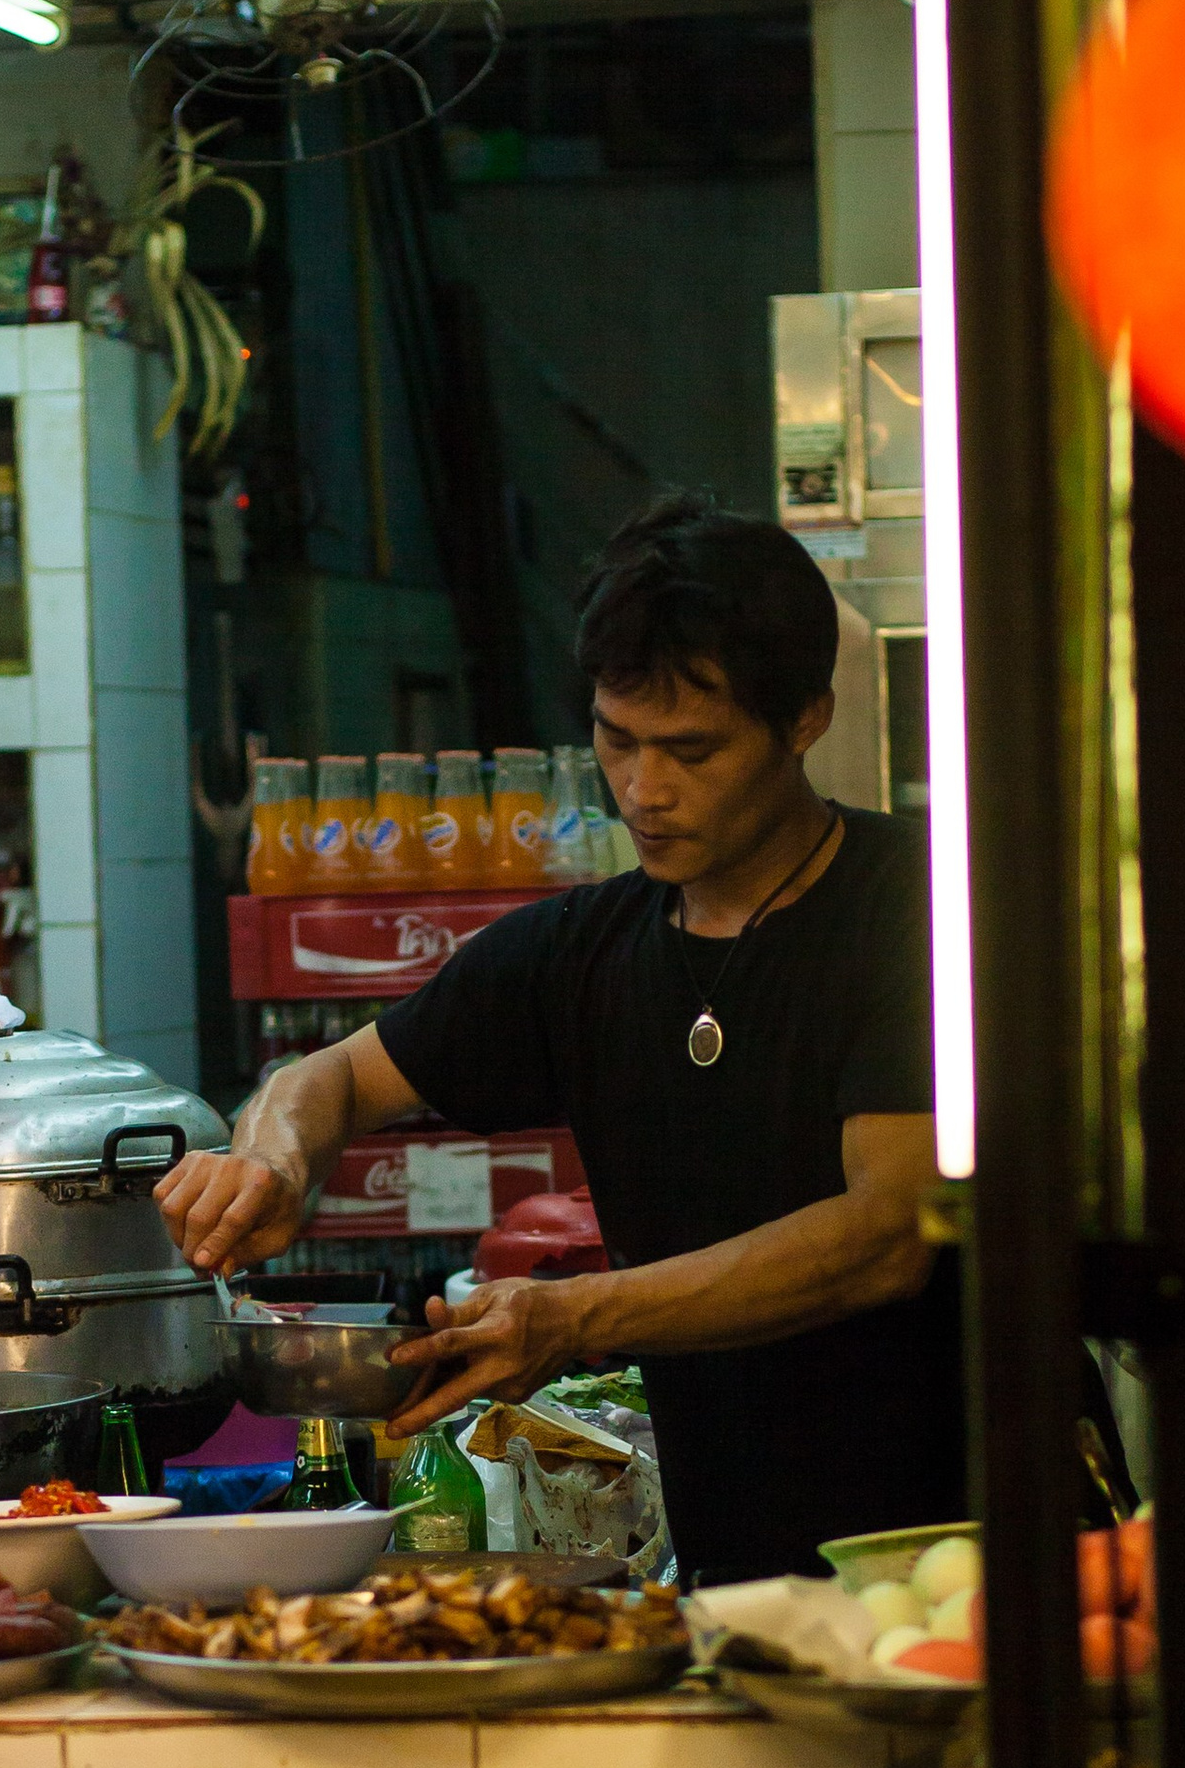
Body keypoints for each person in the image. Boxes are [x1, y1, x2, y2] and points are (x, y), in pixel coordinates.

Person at [156, 495, 967, 1585]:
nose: (644, 789)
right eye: (615, 740)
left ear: (806, 717)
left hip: (962, 1555)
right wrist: (274, 1158)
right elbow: (328, 1077)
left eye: (692, 749)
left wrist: (573, 1313)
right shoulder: (583, 953)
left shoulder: (912, 908)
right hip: (737, 1579)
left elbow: (887, 1232)